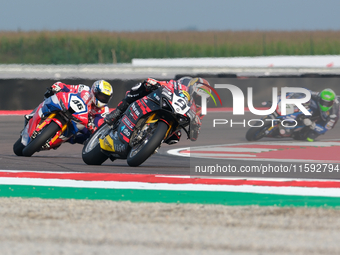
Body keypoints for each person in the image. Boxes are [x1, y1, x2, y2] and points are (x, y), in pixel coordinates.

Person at [104, 77, 211, 143]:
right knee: (142, 87)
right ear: (193, 90)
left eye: (203, 99)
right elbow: (168, 84)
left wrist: (195, 127)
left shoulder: (200, 111)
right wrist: (155, 83)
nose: (199, 101)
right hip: (165, 102)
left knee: (175, 137)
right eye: (198, 97)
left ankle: (151, 141)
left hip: (176, 119)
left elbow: (194, 134)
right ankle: (118, 112)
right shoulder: (183, 86)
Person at [26, 80, 113, 144]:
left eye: (105, 98)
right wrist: (59, 86)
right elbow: (68, 88)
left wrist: (92, 128)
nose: (102, 99)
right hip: (69, 107)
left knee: (90, 138)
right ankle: (34, 114)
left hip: (82, 122)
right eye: (101, 95)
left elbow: (99, 126)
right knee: (50, 94)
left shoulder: (104, 110)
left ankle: (69, 138)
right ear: (94, 91)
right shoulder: (84, 89)